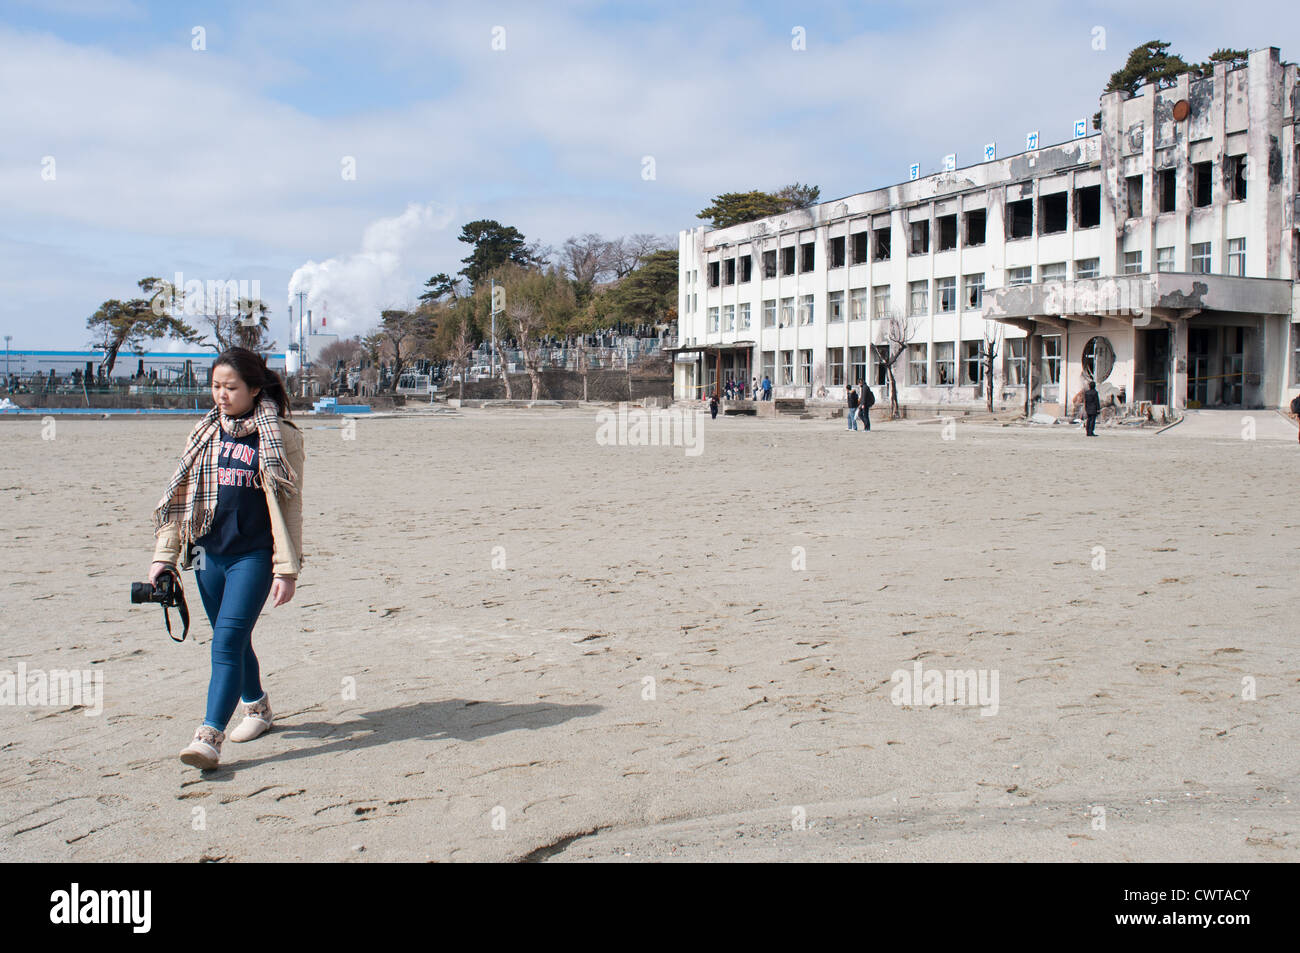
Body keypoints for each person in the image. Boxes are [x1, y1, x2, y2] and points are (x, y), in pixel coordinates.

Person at [148, 347, 305, 770]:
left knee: (226, 642)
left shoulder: (282, 436)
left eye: (230, 387)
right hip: (204, 554)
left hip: (252, 556)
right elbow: (180, 500)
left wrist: (286, 570)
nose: (221, 395)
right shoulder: (203, 432)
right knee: (231, 638)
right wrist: (163, 558)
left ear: (254, 389)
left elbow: (291, 507)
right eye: (216, 386)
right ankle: (258, 709)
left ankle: (208, 737)